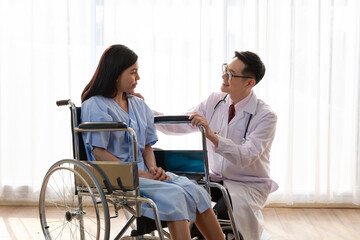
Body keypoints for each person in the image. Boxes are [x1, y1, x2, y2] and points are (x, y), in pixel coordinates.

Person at [80, 44, 225, 240]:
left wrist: (153, 169)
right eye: (133, 72)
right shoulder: (95, 105)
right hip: (118, 177)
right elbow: (99, 152)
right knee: (175, 196)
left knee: (195, 190)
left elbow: (147, 145)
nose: (137, 78)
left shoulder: (139, 105)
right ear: (115, 73)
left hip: (144, 173)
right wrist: (141, 174)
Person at [154, 51, 278, 240]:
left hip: (247, 185)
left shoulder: (265, 116)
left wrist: (212, 136)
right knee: (181, 193)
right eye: (225, 70)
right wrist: (144, 111)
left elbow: (247, 156)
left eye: (231, 74)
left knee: (220, 218)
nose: (223, 76)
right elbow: (178, 124)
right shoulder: (214, 101)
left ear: (249, 82)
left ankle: (198, 233)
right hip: (214, 178)